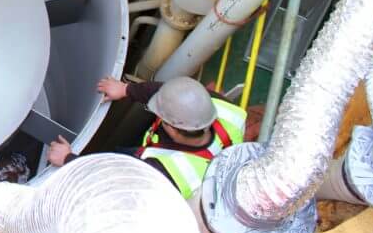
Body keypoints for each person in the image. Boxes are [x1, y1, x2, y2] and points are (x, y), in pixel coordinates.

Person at [47, 75, 246, 199]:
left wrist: (68, 160)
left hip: (149, 187)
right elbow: (169, 92)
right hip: (150, 155)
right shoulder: (227, 113)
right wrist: (126, 89)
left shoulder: (168, 172)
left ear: (172, 127)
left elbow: (111, 179)